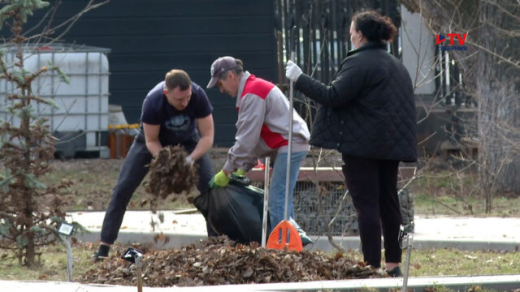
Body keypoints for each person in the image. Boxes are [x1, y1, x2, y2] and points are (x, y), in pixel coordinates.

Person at [285, 11, 417, 276]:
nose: (350, 37)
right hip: (390, 146)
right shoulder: (395, 64)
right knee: (389, 202)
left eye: (352, 33)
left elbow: (333, 96)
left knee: (367, 204)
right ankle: (393, 264)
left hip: (361, 148)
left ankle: (371, 265)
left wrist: (299, 79)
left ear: (361, 35)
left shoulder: (359, 62)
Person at [92, 69, 215, 260]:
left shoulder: (198, 96)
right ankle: (104, 248)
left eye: (187, 98)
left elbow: (207, 137)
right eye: (179, 100)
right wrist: (166, 163)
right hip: (150, 142)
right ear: (167, 93)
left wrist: (190, 160)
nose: (184, 103)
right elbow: (151, 140)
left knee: (212, 191)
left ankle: (216, 245)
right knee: (122, 189)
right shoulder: (153, 101)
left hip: (188, 142)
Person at [206, 56, 312, 246]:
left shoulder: (252, 92)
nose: (221, 90)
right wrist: (243, 167)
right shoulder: (252, 89)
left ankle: (282, 249)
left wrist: (227, 170)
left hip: (291, 143)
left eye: (220, 84)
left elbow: (246, 139)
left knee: (277, 199)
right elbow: (256, 139)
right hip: (289, 143)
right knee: (282, 199)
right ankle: (294, 243)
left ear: (231, 76)